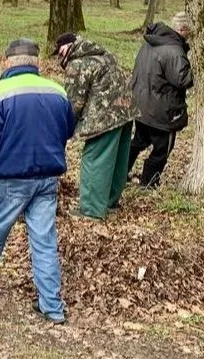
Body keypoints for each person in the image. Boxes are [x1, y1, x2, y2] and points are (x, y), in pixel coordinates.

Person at [0, 38, 76, 324]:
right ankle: (51, 305)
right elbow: (68, 129)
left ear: (7, 63)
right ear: (37, 64)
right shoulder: (58, 91)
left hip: (12, 180)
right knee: (45, 241)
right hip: (48, 180)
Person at [55, 32, 138, 219]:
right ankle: (109, 203)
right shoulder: (104, 54)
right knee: (117, 159)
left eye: (60, 51)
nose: (60, 57)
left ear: (70, 46)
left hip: (103, 117)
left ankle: (92, 210)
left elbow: (73, 104)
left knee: (95, 159)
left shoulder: (77, 65)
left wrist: (64, 131)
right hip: (125, 112)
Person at [128, 12, 194, 188]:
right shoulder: (174, 51)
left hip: (141, 105)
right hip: (162, 112)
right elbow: (183, 80)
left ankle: (121, 171)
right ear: (182, 29)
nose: (190, 37)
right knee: (161, 149)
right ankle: (149, 182)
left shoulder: (150, 42)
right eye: (189, 32)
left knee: (138, 141)